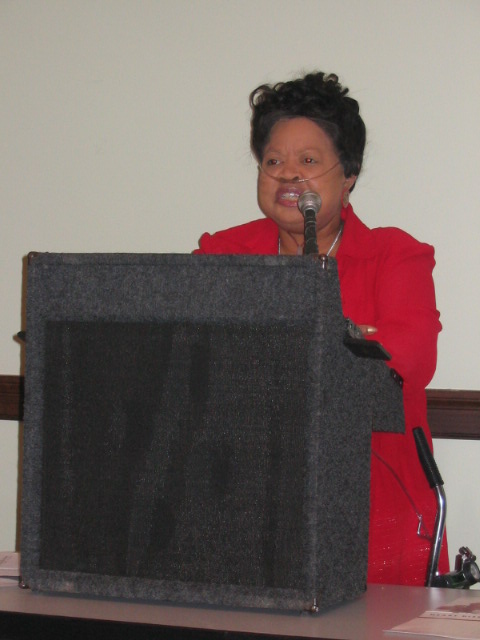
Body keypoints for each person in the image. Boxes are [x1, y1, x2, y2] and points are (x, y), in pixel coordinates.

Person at [194, 71, 449, 586]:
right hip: (250, 505)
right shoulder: (223, 253)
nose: (288, 176)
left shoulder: (394, 256)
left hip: (379, 505)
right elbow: (200, 363)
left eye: (308, 161)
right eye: (273, 162)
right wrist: (353, 338)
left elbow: (410, 362)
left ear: (348, 173)